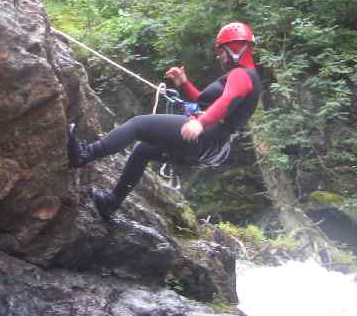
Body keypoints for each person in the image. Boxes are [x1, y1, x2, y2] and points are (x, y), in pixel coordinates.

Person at [68, 22, 262, 220]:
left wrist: (200, 123)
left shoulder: (241, 75)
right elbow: (202, 101)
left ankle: (84, 154)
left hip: (208, 135)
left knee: (138, 124)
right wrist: (183, 83)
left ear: (235, 48)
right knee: (143, 150)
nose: (219, 56)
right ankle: (111, 203)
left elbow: (227, 101)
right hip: (214, 146)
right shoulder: (244, 76)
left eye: (222, 51)